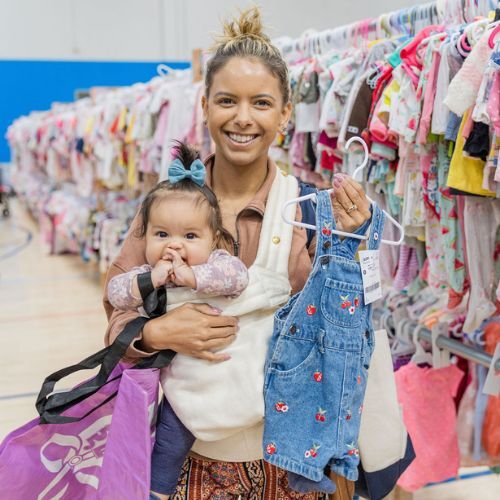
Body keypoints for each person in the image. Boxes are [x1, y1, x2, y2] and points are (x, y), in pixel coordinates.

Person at [103, 7, 371, 499]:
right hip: (188, 460)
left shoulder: (311, 211)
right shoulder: (164, 209)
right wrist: (157, 331)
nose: (243, 118)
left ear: (285, 113)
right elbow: (118, 308)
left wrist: (352, 244)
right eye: (227, 100)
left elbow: (343, 335)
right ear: (204, 105)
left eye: (262, 103)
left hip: (292, 463)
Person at [107, 142, 250, 498]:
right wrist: (150, 279)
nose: (174, 246)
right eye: (161, 235)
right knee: (169, 441)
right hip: (180, 385)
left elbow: (238, 278)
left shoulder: (216, 264)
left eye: (190, 236)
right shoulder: (148, 272)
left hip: (232, 373)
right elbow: (116, 293)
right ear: (145, 237)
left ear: (214, 239)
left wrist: (194, 278)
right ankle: (158, 490)